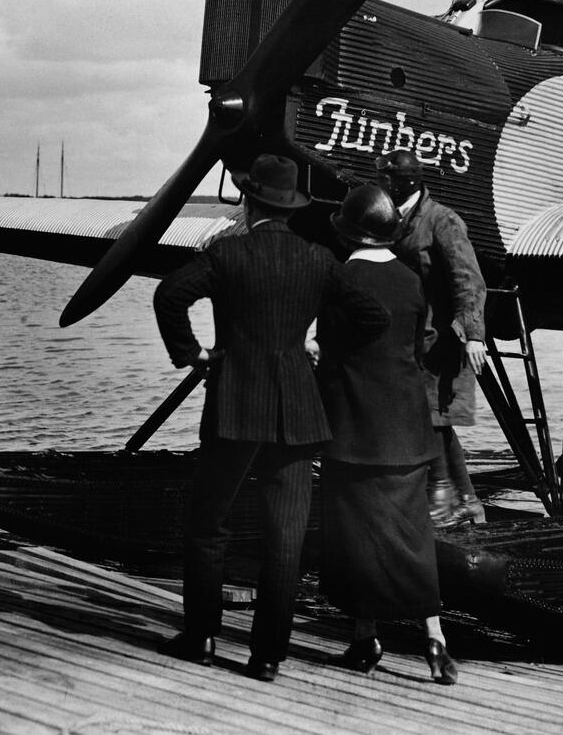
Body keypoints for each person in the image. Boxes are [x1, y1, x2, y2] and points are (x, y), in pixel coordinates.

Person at [152, 153, 389, 683]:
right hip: (299, 412)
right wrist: (324, 347)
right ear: (290, 209)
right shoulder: (319, 260)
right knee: (286, 536)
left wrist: (194, 355)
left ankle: (202, 637)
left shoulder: (227, 254)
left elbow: (169, 295)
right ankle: (267, 657)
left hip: (235, 405)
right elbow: (375, 317)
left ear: (248, 200)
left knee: (208, 524)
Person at [315, 184, 457, 685]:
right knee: (412, 534)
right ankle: (434, 635)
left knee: (357, 537)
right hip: (407, 426)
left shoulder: (339, 279)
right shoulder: (409, 279)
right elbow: (419, 345)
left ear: (348, 231)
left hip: (354, 429)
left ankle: (364, 637)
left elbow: (330, 351)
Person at [376, 149, 488, 527]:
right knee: (433, 418)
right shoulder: (393, 218)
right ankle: (467, 500)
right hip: (407, 335)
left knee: (432, 417)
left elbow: (468, 279)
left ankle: (443, 502)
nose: (383, 185)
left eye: (388, 179)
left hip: (439, 336)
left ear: (404, 182)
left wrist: (473, 335)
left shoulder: (442, 220)